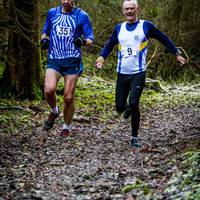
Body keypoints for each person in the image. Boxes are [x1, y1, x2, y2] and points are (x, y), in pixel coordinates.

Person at [95, 0, 187, 147]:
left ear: (137, 9)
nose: (129, 11)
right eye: (127, 9)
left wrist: (176, 52)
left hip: (138, 72)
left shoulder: (145, 26)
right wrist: (101, 58)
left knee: (133, 103)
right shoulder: (119, 28)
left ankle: (134, 137)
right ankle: (127, 110)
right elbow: (110, 44)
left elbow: (163, 38)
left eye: (132, 8)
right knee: (120, 107)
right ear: (123, 11)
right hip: (122, 73)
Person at [41, 0, 94, 136]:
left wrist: (82, 41)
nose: (66, 2)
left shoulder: (82, 15)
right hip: (55, 58)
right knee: (49, 90)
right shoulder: (52, 13)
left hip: (72, 60)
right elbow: (44, 32)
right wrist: (44, 40)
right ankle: (54, 111)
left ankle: (66, 127)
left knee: (69, 97)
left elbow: (90, 40)